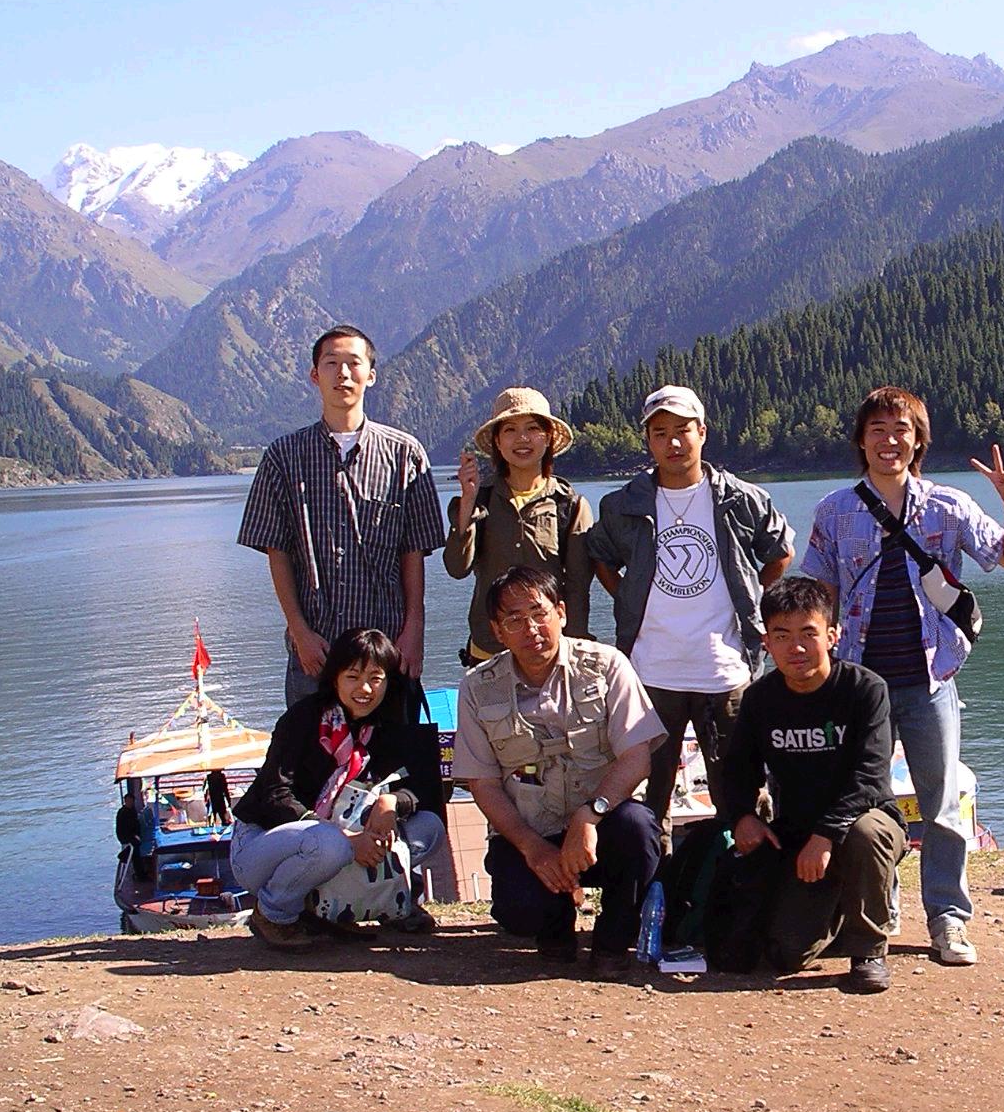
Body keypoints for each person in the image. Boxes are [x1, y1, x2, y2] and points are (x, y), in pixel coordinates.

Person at [800, 387, 1004, 967]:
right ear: (861, 440)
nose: (889, 440)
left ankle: (948, 918)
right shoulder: (835, 510)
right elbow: (820, 595)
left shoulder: (948, 506)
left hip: (930, 680)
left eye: (900, 429)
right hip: (860, 687)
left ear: (918, 440)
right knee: (866, 804)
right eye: (877, 429)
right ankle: (882, 904)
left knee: (943, 804)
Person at [587, 385, 793, 831]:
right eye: (660, 433)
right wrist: (627, 596)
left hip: (725, 671)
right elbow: (599, 555)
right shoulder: (623, 504)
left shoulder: (741, 498)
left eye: (682, 430)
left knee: (739, 794)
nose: (673, 442)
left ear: (703, 432)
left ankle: (742, 874)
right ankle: (653, 875)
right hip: (649, 673)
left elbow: (780, 552)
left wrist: (751, 596)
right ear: (648, 441)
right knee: (648, 800)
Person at [451, 565, 666, 971]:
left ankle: (612, 942)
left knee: (638, 830)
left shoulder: (607, 665)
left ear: (561, 613)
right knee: (518, 911)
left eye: (539, 613)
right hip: (532, 831)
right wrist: (532, 847)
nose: (531, 629)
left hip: (601, 825)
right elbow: (483, 783)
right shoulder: (479, 687)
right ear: (497, 631)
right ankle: (554, 929)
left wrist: (591, 814)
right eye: (514, 620)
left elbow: (637, 755)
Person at [237, 325, 446, 706]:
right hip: (315, 650)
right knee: (310, 745)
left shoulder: (405, 454)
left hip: (387, 647)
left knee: (393, 745)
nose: (343, 374)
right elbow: (276, 551)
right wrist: (299, 631)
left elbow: (413, 552)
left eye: (353, 363)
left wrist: (414, 629)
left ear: (372, 375)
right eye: (331, 363)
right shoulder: (283, 457)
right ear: (314, 375)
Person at [719, 575, 907, 994]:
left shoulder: (865, 690)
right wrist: (743, 816)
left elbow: (870, 776)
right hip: (798, 832)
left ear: (832, 636)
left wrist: (826, 835)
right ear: (766, 643)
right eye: (782, 636)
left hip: (866, 820)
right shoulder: (760, 698)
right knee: (785, 955)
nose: (796, 648)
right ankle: (838, 909)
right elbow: (738, 768)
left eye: (809, 633)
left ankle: (868, 951)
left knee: (866, 834)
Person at [230, 628, 449, 950]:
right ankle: (274, 914)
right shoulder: (303, 720)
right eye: (353, 676)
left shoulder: (388, 728)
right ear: (334, 678)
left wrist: (392, 802)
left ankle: (388, 903)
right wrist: (348, 839)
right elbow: (275, 794)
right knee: (329, 844)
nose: (365, 689)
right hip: (265, 844)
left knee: (428, 828)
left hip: (343, 836)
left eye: (376, 678)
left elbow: (418, 789)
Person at [443, 386, 594, 666]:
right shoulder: (479, 499)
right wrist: (467, 503)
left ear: (548, 438)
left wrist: (574, 649)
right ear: (497, 442)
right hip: (488, 649)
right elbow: (456, 568)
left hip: (547, 651)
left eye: (532, 428)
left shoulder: (570, 505)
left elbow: (578, 587)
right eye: (510, 430)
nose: (522, 438)